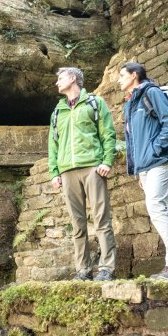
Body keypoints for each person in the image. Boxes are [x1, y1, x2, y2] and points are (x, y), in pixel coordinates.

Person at [117, 62, 168, 279]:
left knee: (156, 205)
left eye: (122, 75)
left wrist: (156, 149)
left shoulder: (152, 93)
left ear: (134, 75)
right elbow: (133, 141)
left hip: (158, 160)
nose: (118, 80)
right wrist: (139, 169)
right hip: (146, 166)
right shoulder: (130, 104)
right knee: (160, 207)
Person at [48, 67, 117, 281]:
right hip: (67, 171)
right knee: (77, 224)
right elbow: (53, 144)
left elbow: (108, 134)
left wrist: (107, 161)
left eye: (60, 78)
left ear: (72, 79)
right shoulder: (58, 112)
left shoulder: (95, 103)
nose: (56, 83)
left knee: (101, 220)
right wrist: (54, 172)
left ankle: (107, 268)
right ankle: (83, 270)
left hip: (92, 168)